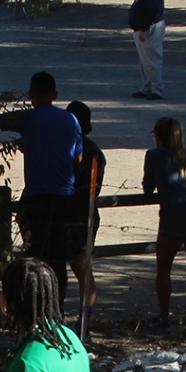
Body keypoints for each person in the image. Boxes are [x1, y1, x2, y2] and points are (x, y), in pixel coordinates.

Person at [0, 72, 82, 312]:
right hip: (65, 196)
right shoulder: (71, 120)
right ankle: (57, 309)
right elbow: (78, 156)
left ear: (31, 94)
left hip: (37, 196)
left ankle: (35, 308)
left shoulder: (28, 117)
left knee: (35, 257)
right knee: (58, 261)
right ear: (55, 95)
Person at [142, 117, 186, 338]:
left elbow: (148, 187)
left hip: (174, 214)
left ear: (158, 137)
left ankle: (164, 318)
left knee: (164, 269)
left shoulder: (154, 155)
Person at [66, 101, 106, 328]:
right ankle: (84, 319)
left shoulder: (69, 148)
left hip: (74, 211)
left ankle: (81, 320)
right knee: (82, 266)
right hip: (87, 211)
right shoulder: (96, 152)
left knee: (78, 265)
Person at [128, 0, 165, 101]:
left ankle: (157, 89)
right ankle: (147, 87)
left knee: (152, 60)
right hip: (143, 29)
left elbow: (153, 10)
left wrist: (144, 29)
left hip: (150, 29)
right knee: (144, 61)